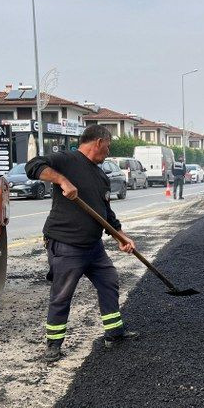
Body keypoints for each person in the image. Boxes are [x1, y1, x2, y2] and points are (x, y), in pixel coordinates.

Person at [25, 124, 138, 363]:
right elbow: (33, 166)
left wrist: (121, 236)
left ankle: (114, 333)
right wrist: (62, 181)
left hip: (93, 247)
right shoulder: (66, 159)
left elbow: (105, 212)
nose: (108, 152)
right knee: (62, 294)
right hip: (66, 245)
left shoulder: (100, 175)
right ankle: (53, 345)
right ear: (98, 142)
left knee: (109, 281)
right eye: (107, 147)